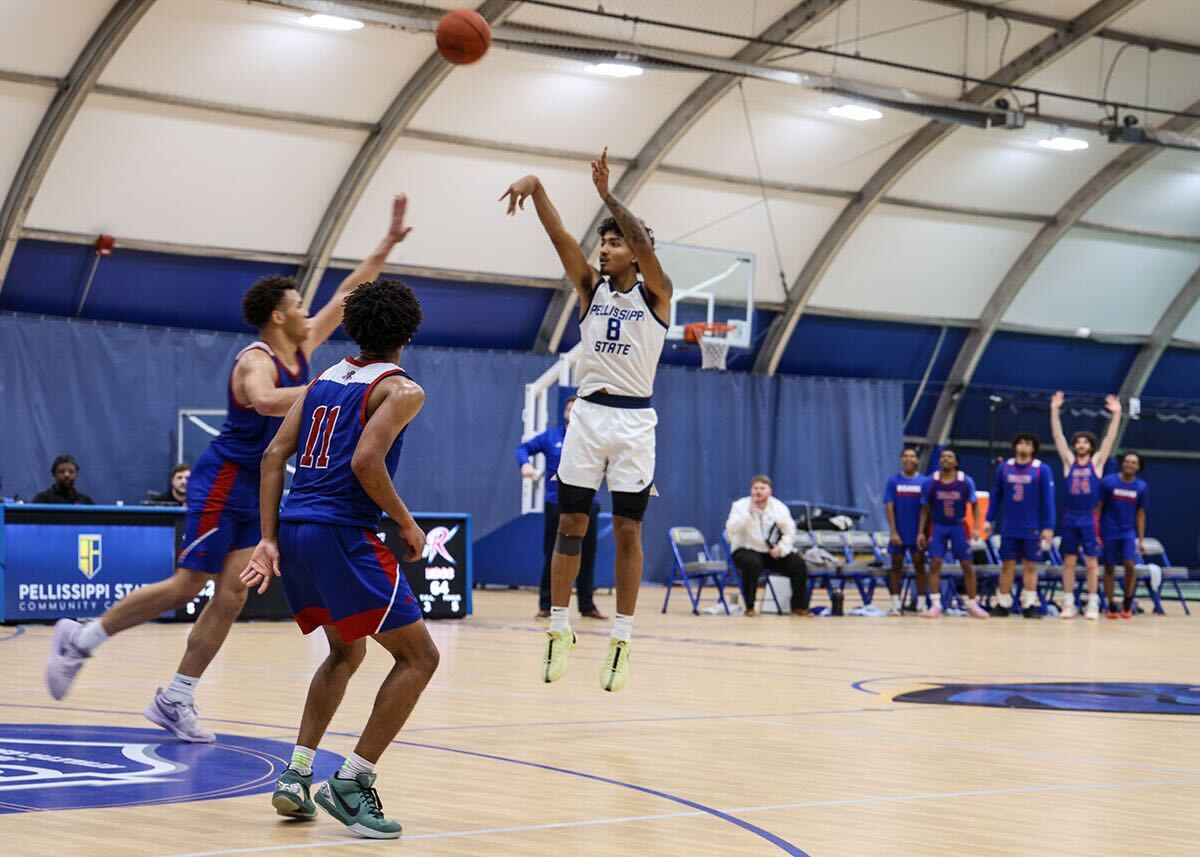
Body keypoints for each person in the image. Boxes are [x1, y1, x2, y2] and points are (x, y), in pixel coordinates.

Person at [44, 196, 415, 741]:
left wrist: (387, 243)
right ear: (277, 316)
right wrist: (331, 393)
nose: (307, 310)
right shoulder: (254, 359)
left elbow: (346, 294)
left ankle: (176, 697)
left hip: (257, 483)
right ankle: (81, 638)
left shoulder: (302, 346)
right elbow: (264, 402)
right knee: (187, 583)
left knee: (233, 594)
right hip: (224, 477)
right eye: (298, 304)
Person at [240, 279, 436, 839]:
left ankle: (297, 774)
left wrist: (268, 538)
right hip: (342, 533)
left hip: (297, 531)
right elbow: (366, 462)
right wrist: (406, 522)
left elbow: (273, 455)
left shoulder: (323, 378)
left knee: (345, 653)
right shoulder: (402, 390)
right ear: (408, 331)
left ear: (353, 328)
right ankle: (353, 781)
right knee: (420, 658)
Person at [501, 147, 671, 692]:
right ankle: (558, 627)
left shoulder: (658, 295)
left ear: (635, 253)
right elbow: (560, 240)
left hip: (634, 423)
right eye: (603, 241)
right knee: (570, 524)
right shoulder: (589, 290)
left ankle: (621, 637)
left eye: (614, 242)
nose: (604, 248)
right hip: (589, 417)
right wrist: (537, 186)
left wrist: (607, 196)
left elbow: (644, 244)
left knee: (626, 529)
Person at [517, 396, 606, 620]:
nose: (571, 412)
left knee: (587, 555)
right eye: (568, 408)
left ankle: (587, 605)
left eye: (576, 409)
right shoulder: (551, 437)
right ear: (564, 413)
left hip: (588, 504)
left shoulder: (593, 438)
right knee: (553, 553)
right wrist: (525, 464)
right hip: (557, 504)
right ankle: (547, 605)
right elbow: (523, 448)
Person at [1049, 391, 1121, 620]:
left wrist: (1117, 415)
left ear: (1090, 446)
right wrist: (1054, 410)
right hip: (1070, 516)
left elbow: (1109, 440)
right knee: (1068, 562)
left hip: (1089, 517)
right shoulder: (1069, 463)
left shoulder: (1096, 464)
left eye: (1085, 442)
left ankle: (1093, 602)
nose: (1081, 445)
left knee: (1092, 562)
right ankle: (1068, 602)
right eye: (1078, 442)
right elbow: (1058, 437)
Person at [983, 433, 1055, 618]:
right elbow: (996, 495)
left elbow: (1048, 500)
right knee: (1007, 565)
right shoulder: (1004, 468)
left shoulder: (1041, 469)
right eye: (1020, 443)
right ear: (1015, 446)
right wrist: (988, 519)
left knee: (1030, 566)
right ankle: (1003, 603)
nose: (1023, 446)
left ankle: (1029, 604)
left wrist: (1048, 526)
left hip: (1032, 526)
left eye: (1028, 443)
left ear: (1034, 448)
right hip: (1009, 526)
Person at [917, 449, 988, 619]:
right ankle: (935, 605)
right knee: (935, 563)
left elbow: (975, 505)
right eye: (942, 457)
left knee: (967, 564)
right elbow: (924, 509)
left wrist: (976, 527)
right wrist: (920, 532)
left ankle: (972, 604)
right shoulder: (931, 481)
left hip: (958, 526)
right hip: (938, 526)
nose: (945, 459)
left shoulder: (965, 481)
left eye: (949, 457)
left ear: (956, 462)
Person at [725, 475, 809, 616]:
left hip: (771, 552)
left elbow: (790, 532)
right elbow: (731, 528)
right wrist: (747, 514)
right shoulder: (740, 506)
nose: (758, 491)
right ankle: (750, 606)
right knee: (752, 563)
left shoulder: (778, 507)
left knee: (798, 564)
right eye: (755, 488)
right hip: (746, 549)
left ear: (769, 491)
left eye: (762, 488)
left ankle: (799, 607)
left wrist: (781, 549)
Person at [1099, 452, 1148, 620]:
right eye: (1127, 461)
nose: (1129, 464)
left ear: (1138, 467)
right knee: (1109, 567)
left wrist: (1140, 540)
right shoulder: (1108, 482)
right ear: (1122, 463)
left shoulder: (1141, 487)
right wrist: (1097, 532)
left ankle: (1127, 601)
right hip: (1109, 530)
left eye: (1134, 462)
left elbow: (1140, 514)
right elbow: (1098, 508)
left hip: (1128, 532)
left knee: (1129, 564)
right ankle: (1111, 604)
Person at [883, 448, 927, 616]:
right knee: (896, 567)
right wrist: (893, 532)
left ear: (917, 460)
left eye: (912, 456)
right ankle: (895, 604)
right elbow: (889, 507)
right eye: (906, 456)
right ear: (901, 459)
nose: (909, 459)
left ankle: (921, 603)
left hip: (916, 532)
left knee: (919, 566)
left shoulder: (924, 481)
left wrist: (921, 532)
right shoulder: (893, 481)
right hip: (899, 532)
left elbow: (925, 509)